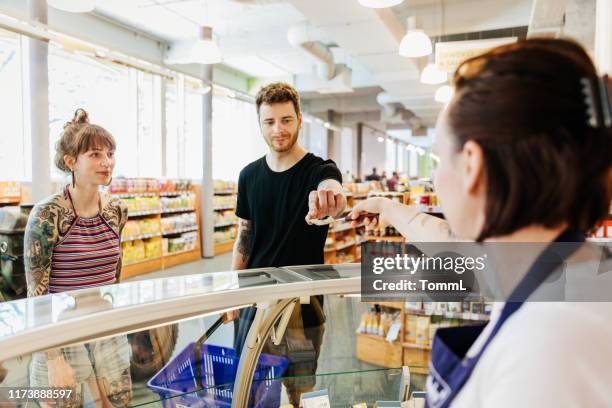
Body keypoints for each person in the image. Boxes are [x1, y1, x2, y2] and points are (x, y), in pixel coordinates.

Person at [350, 39, 612, 407]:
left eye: (439, 158)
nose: (438, 178)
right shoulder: (565, 272)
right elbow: (449, 244)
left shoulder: (545, 346)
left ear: (471, 165)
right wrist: (385, 207)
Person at [230, 82, 345, 405]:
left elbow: (332, 187)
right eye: (269, 122)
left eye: (286, 120)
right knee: (252, 389)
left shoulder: (318, 169)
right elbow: (245, 236)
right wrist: (231, 293)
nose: (278, 129)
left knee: (301, 390)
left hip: (305, 307)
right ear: (260, 125)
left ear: (299, 120)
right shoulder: (248, 176)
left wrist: (330, 198)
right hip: (257, 303)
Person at [24, 108, 132, 407]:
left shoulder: (117, 210)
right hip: (60, 333)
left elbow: (115, 277)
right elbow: (37, 294)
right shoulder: (48, 215)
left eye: (110, 153)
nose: (107, 162)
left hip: (105, 328)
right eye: (95, 155)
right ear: (71, 161)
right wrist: (54, 357)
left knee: (117, 404)